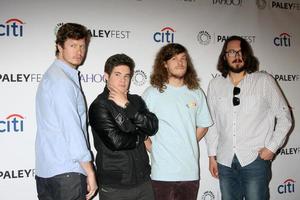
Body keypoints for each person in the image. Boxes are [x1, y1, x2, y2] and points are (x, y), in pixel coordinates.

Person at [205, 35, 292, 200]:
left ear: (247, 56)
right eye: (232, 52)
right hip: (225, 161)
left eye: (241, 52)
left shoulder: (264, 81)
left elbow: (284, 116)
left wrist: (272, 148)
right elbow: (212, 123)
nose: (237, 56)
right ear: (225, 56)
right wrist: (211, 156)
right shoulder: (215, 85)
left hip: (255, 160)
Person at [35, 23, 97, 200]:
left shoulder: (52, 75)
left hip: (48, 171)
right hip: (67, 172)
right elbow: (71, 128)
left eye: (82, 46)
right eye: (72, 45)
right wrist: (89, 171)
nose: (79, 51)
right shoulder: (62, 81)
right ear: (59, 46)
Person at [142, 43, 213, 200]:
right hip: (162, 173)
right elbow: (140, 128)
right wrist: (152, 148)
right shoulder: (152, 93)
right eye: (174, 59)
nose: (180, 62)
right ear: (164, 64)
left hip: (189, 172)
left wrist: (187, 141)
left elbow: (204, 125)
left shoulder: (196, 92)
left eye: (183, 58)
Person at [88, 53, 158, 200]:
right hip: (115, 185)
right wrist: (142, 135)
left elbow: (152, 126)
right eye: (118, 74)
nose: (123, 80)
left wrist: (127, 106)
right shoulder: (99, 106)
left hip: (143, 180)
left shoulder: (136, 101)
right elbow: (116, 142)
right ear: (106, 76)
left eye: (127, 76)